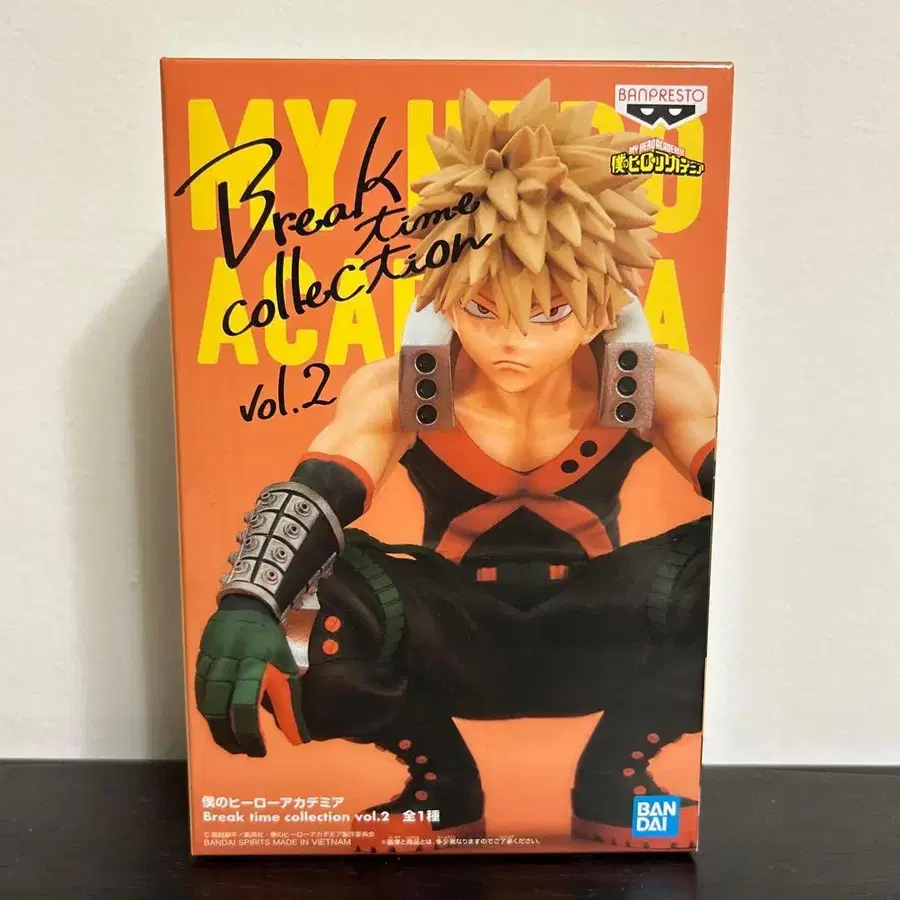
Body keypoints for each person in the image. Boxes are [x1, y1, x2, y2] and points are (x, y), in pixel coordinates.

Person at [195, 81, 717, 847]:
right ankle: (442, 783)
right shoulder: (403, 387)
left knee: (729, 562)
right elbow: (321, 489)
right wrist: (249, 600)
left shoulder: (653, 382)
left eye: (548, 313)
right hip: (450, 638)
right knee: (309, 585)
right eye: (482, 309)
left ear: (606, 306)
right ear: (443, 296)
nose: (511, 341)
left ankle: (617, 779)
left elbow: (745, 499)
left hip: (604, 634)